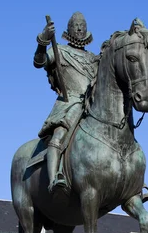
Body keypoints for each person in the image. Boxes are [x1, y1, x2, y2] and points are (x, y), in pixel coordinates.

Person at [33, 12, 99, 193]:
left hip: (93, 106)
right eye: (75, 25)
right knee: (59, 135)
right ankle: (54, 178)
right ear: (69, 29)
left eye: (82, 25)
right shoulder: (60, 51)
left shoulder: (94, 59)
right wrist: (43, 41)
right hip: (70, 103)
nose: (79, 28)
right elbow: (39, 62)